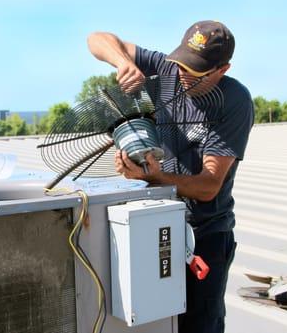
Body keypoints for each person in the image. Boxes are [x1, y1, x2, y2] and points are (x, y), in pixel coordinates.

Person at [87, 20, 254, 333]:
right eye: (182, 65)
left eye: (196, 72)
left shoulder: (234, 102)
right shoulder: (167, 69)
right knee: (152, 320)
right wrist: (124, 63)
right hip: (157, 227)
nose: (183, 75)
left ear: (223, 70)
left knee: (199, 326)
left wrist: (154, 177)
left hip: (203, 237)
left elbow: (208, 185)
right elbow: (96, 39)